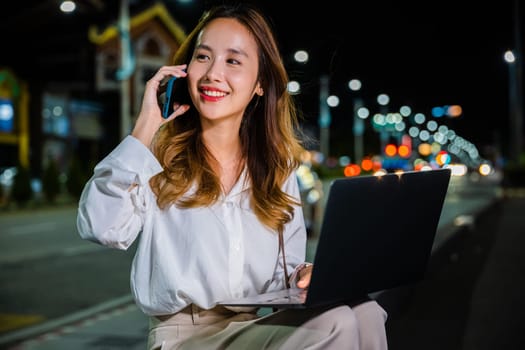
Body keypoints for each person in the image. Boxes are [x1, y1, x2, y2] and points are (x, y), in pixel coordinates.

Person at [77, 3, 388, 349]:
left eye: (233, 61)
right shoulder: (155, 159)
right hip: (184, 338)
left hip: (254, 326)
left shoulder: (275, 167)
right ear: (185, 69)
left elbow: (285, 271)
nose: (212, 74)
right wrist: (145, 127)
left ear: (260, 83)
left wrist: (302, 275)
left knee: (365, 310)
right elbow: (100, 226)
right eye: (203, 57)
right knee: (337, 323)